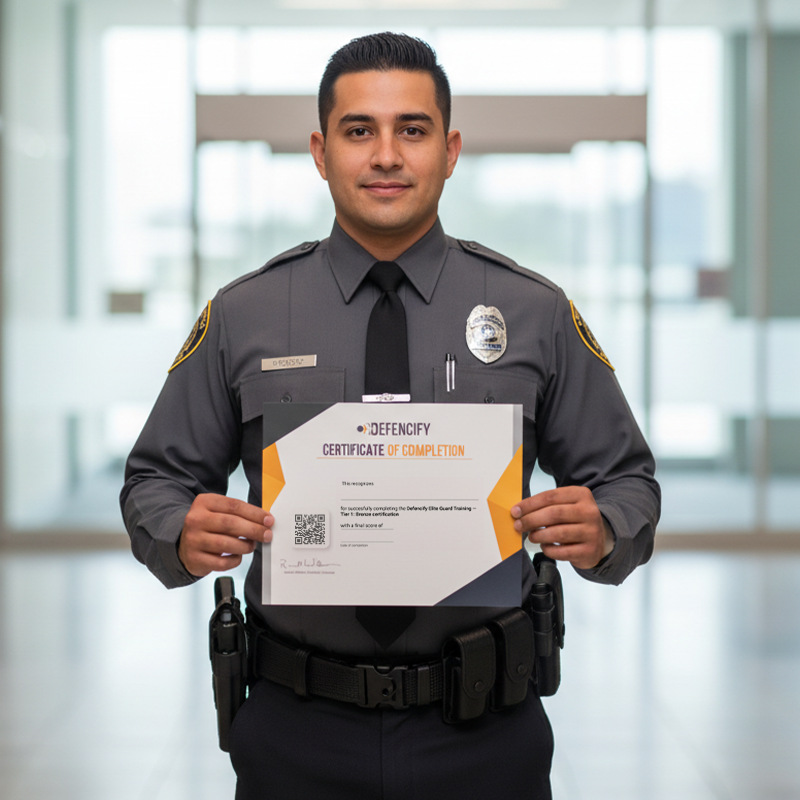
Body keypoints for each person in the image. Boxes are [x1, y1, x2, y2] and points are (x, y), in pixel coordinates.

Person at [121, 32, 660, 799]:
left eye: (412, 129)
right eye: (358, 130)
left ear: (450, 149)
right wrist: (180, 528)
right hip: (294, 733)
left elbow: (627, 479)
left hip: (485, 735)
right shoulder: (245, 315)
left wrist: (604, 526)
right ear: (319, 150)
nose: (385, 155)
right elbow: (155, 478)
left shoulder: (533, 311)